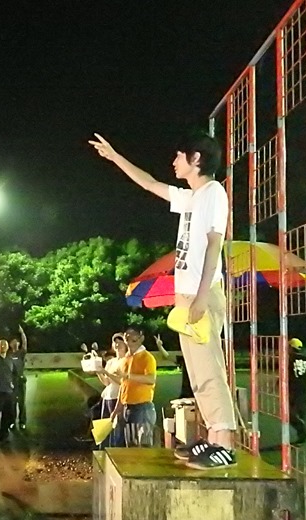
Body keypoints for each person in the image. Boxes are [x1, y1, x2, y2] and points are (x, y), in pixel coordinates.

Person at [91, 131, 238, 470]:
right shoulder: (191, 198)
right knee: (197, 373)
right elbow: (150, 183)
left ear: (196, 159)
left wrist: (201, 297)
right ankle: (213, 439)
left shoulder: (213, 193)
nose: (173, 161)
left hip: (202, 295)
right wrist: (115, 156)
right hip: (187, 298)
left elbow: (215, 245)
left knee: (209, 369)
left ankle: (224, 444)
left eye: (179, 155)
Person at [101, 327, 157, 447]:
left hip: (142, 407)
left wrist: (128, 376)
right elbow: (123, 386)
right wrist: (117, 409)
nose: (129, 337)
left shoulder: (147, 357)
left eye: (133, 335)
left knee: (144, 446)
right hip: (127, 408)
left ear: (141, 338)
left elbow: (151, 379)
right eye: (127, 335)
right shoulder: (125, 359)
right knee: (131, 446)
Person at [93, 333, 127, 448]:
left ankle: (115, 448)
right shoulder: (111, 362)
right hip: (107, 396)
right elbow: (106, 382)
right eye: (115, 342)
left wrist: (107, 373)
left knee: (116, 426)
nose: (117, 344)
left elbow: (123, 381)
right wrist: (98, 372)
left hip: (118, 397)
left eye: (120, 342)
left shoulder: (126, 361)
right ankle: (104, 448)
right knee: (105, 424)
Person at [289, 338, 306, 445]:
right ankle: (302, 437)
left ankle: (302, 429)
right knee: (303, 414)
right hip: (304, 390)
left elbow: (285, 374)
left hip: (292, 390)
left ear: (291, 347)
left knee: (289, 414)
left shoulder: (289, 359)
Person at [8, 326, 28, 431]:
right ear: (10, 344)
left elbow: (25, 344)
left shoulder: (21, 353)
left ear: (18, 344)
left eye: (16, 342)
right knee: (12, 403)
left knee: (21, 403)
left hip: (21, 381)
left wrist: (22, 333)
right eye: (13, 342)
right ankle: (12, 422)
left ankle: (22, 422)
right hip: (12, 382)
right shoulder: (8, 355)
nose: (15, 343)